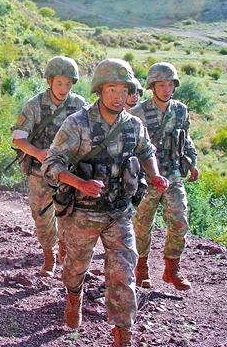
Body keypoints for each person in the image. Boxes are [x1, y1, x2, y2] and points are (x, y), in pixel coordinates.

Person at [42, 59, 169, 346]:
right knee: (75, 269)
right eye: (112, 89)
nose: (118, 96)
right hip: (82, 213)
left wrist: (155, 175)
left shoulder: (133, 125)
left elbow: (146, 151)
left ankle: (122, 333)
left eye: (124, 90)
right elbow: (51, 164)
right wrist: (80, 184)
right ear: (100, 89)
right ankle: (74, 297)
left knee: (123, 274)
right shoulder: (78, 123)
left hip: (119, 212)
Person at [12, 56, 87, 277]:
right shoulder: (34, 105)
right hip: (40, 171)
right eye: (59, 83)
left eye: (68, 84)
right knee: (42, 216)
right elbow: (18, 138)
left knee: (69, 214)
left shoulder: (80, 105)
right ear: (49, 81)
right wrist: (37, 152)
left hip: (69, 172)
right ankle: (48, 254)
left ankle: (63, 246)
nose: (64, 89)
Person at [130, 62, 199, 292]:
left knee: (179, 220)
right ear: (152, 86)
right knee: (141, 224)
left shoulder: (180, 110)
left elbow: (185, 138)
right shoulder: (138, 112)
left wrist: (193, 162)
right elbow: (128, 145)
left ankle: (172, 269)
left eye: (170, 84)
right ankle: (141, 268)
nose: (166, 89)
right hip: (146, 178)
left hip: (172, 174)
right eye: (161, 85)